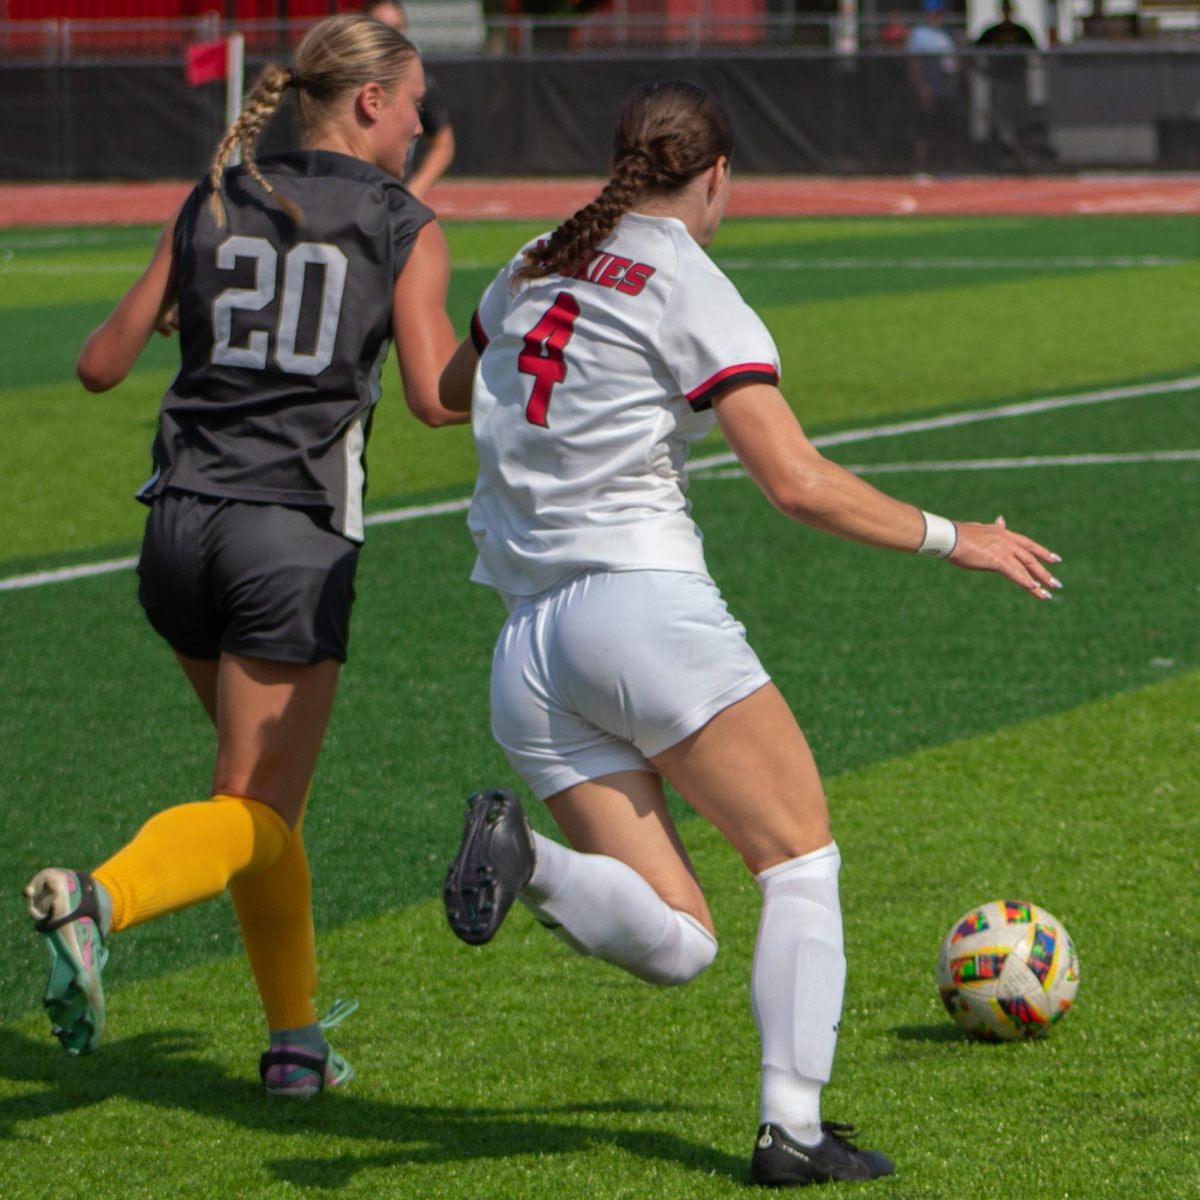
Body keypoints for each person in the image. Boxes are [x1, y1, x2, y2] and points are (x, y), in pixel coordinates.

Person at [438, 80, 1063, 1186]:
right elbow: (795, 483)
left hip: (525, 652)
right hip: (639, 613)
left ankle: (525, 859)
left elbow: (447, 388)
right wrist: (950, 536)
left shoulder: (535, 256)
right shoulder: (689, 278)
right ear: (718, 175)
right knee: (799, 860)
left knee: (681, 939)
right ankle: (792, 1129)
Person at [24, 12, 464, 1099]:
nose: (420, 124)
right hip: (289, 536)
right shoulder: (401, 219)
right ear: (370, 102)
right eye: (414, 104)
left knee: (262, 812)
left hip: (177, 527)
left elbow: (96, 364)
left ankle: (295, 1041)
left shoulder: (215, 198)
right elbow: (433, 394)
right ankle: (99, 901)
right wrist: (514, 337)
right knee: (255, 808)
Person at [365, 0, 456, 198]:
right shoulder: (347, 79)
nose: (417, 129)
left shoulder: (420, 84)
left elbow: (443, 144)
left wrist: (413, 193)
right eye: (382, 27)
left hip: (393, 197)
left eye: (397, 27)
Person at [975, 0, 1038, 169]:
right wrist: (983, 69)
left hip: (1017, 80)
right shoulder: (992, 32)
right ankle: (1004, 156)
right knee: (1000, 119)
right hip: (1000, 81)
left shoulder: (1021, 31)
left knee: (1020, 117)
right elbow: (974, 49)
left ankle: (1021, 155)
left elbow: (1035, 50)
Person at [906, 0, 960, 173]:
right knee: (925, 128)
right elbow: (915, 64)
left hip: (946, 86)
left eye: (940, 13)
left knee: (945, 127)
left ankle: (943, 167)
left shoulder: (947, 33)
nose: (938, 17)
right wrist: (922, 88)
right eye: (934, 13)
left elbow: (954, 61)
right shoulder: (920, 34)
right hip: (930, 83)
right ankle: (920, 167)